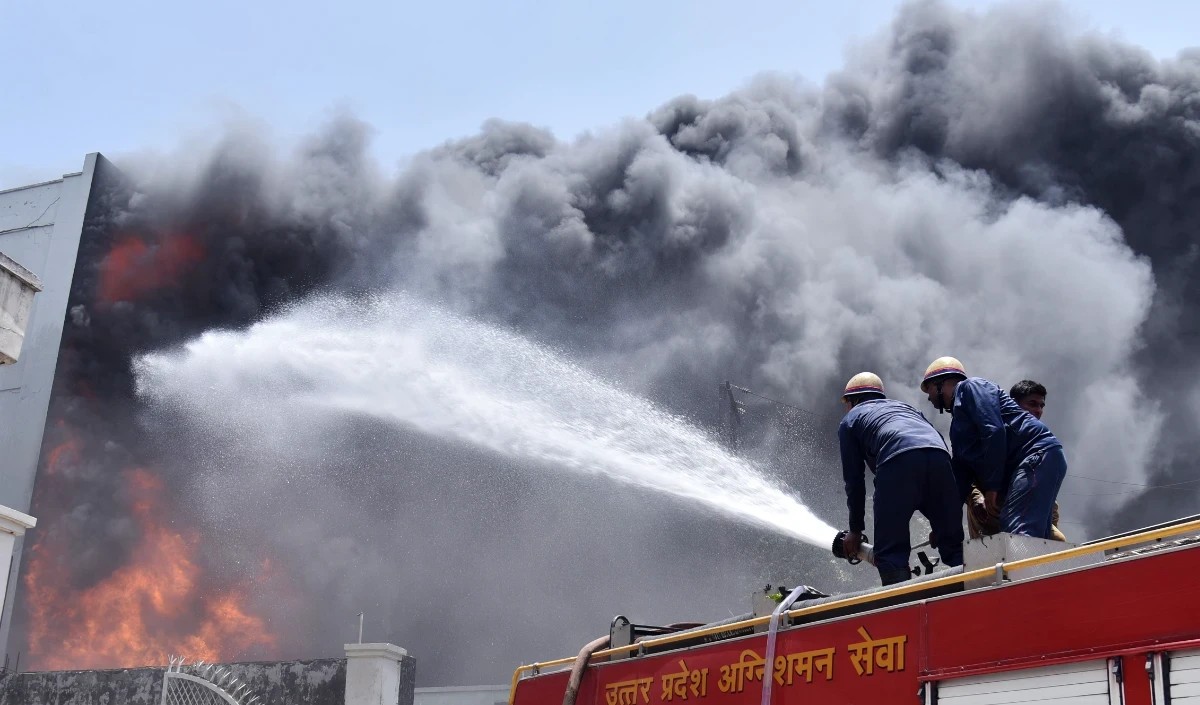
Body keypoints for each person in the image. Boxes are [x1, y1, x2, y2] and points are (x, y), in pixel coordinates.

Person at [838, 371, 964, 586]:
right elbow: (935, 441)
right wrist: (941, 522)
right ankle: (974, 591)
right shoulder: (907, 409)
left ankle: (901, 606)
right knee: (952, 543)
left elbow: (854, 480)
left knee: (891, 553)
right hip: (940, 457)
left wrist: (855, 530)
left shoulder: (851, 419)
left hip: (897, 461)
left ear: (851, 401)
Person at [920, 357, 1067, 539]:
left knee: (1018, 529)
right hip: (1034, 461)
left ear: (940, 384)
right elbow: (960, 476)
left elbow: (994, 431)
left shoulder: (971, 387)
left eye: (930, 389)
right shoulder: (959, 428)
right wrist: (944, 524)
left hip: (1036, 455)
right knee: (1039, 537)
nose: (929, 397)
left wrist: (991, 487)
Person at [1009, 380, 1067, 542]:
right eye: (1032, 404)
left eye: (1041, 406)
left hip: (1032, 508)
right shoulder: (1000, 430)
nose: (1038, 410)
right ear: (1014, 404)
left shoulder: (1040, 440)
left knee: (1055, 539)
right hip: (999, 503)